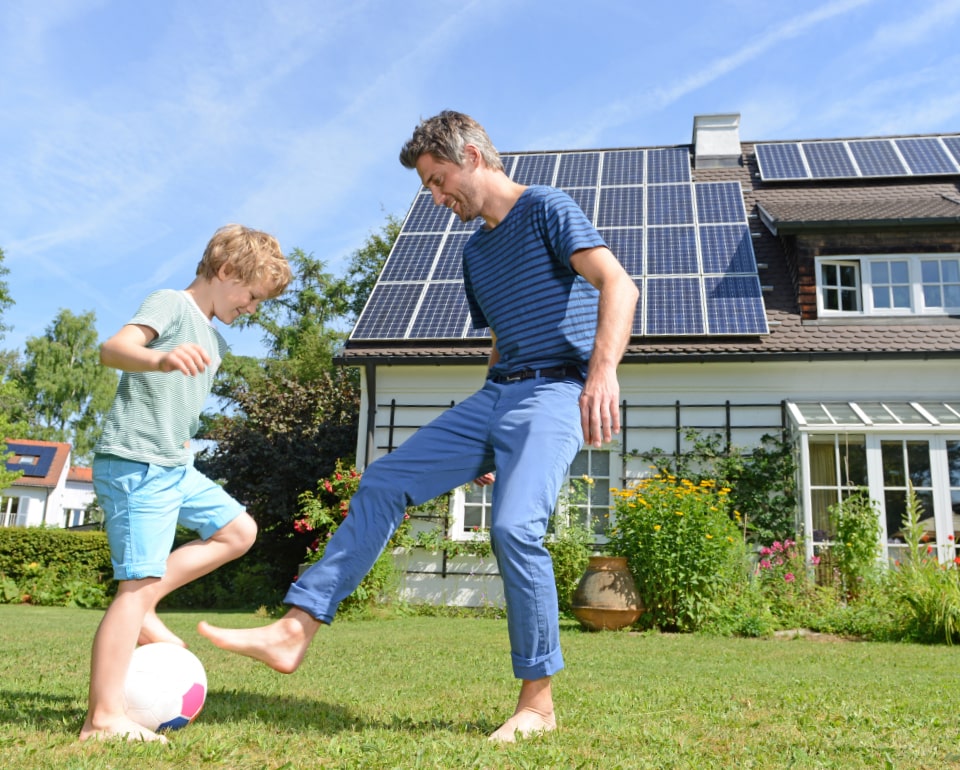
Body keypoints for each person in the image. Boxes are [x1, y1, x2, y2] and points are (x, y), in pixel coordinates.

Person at [198, 111, 638, 742]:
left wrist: (602, 375)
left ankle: (537, 705)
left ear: (474, 157)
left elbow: (618, 284)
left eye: (438, 179)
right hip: (499, 395)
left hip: (556, 389)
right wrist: (486, 435)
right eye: (428, 186)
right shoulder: (475, 251)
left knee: (515, 529)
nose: (435, 197)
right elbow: (499, 341)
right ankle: (295, 631)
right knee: (383, 481)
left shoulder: (546, 207)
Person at [79, 224, 292, 742]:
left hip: (173, 466)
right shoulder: (172, 304)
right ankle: (103, 719)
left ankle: (147, 603)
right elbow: (114, 348)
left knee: (238, 531)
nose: (252, 308)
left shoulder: (212, 338)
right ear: (224, 271)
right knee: (133, 588)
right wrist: (159, 357)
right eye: (251, 295)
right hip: (136, 462)